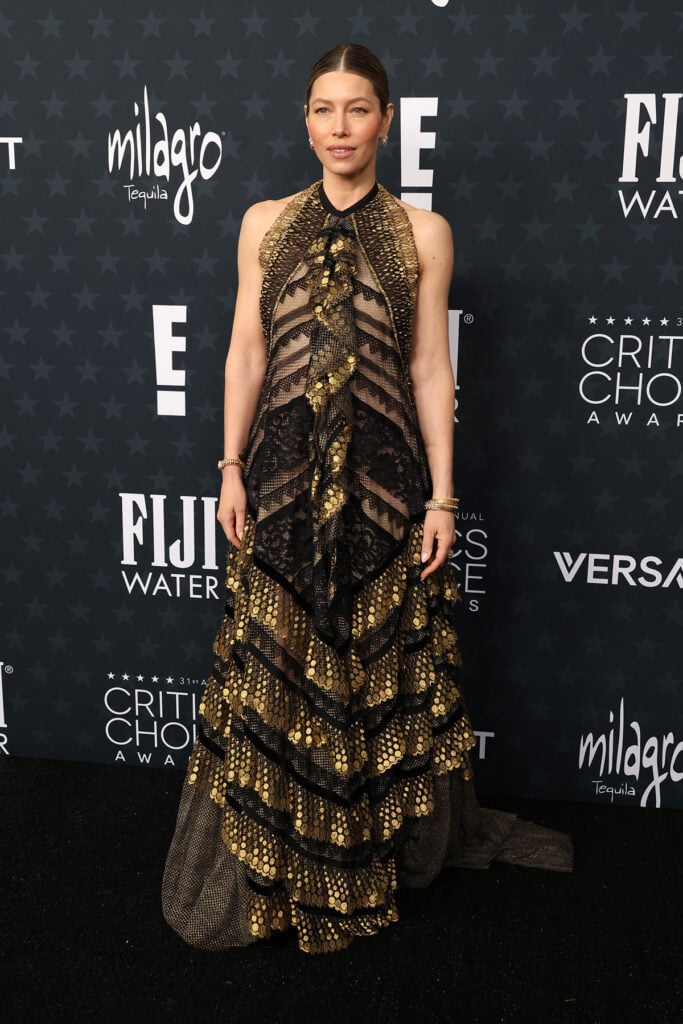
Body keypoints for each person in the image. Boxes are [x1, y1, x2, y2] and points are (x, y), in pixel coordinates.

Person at [161, 43, 573, 956]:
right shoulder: (264, 222)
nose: (339, 127)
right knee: (280, 661)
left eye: (356, 109)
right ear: (304, 121)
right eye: (323, 109)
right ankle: (274, 873)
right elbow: (244, 352)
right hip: (279, 478)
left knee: (371, 666)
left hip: (383, 488)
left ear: (386, 121)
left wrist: (442, 498)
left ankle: (362, 861)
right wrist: (229, 466)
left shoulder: (424, 232)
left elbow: (428, 368)